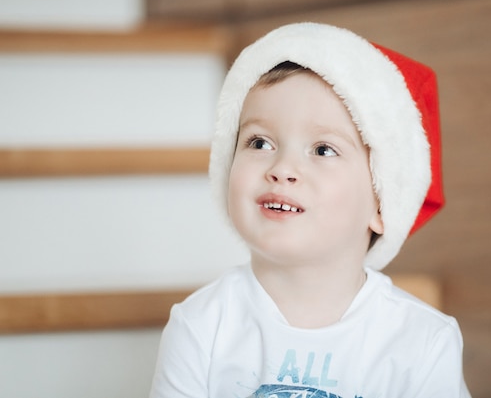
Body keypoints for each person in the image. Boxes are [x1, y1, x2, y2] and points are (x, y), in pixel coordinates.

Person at [150, 22, 471, 398]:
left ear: (382, 202)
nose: (282, 169)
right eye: (259, 142)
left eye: (323, 150)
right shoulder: (200, 326)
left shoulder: (423, 341)